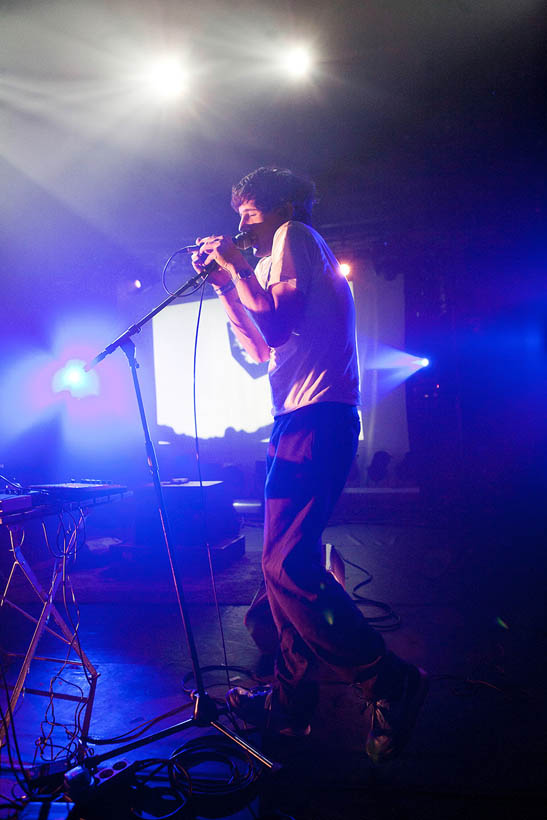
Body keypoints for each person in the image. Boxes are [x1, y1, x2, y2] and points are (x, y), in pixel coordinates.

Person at [191, 167, 428, 763]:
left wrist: (239, 268)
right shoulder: (264, 265)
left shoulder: (295, 235)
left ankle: (391, 682)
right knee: (279, 573)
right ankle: (289, 710)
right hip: (293, 420)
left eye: (251, 210)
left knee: (286, 566)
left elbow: (278, 322)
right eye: (240, 211)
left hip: (319, 418)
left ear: (285, 204)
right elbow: (258, 349)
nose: (242, 221)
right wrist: (224, 283)